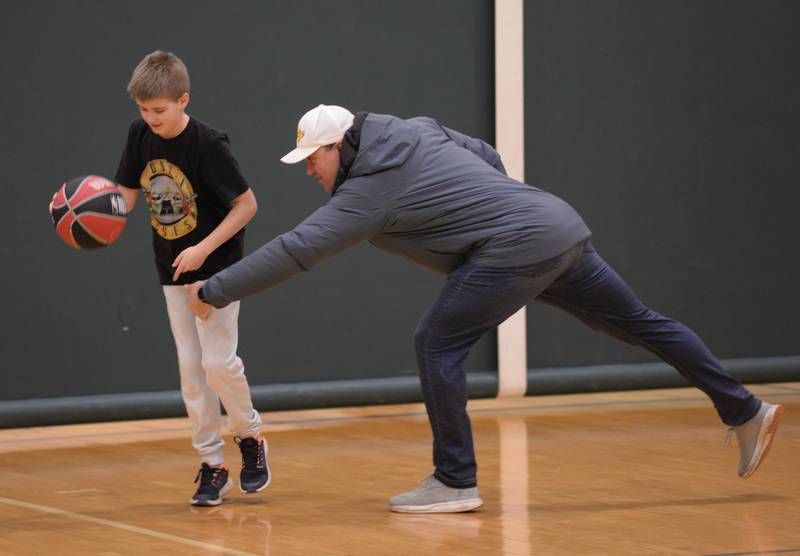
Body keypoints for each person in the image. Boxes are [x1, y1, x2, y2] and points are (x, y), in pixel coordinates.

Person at [186, 104, 782, 513]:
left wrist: (218, 288)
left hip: (518, 246)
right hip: (554, 224)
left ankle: (454, 480)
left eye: (314, 159)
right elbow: (486, 153)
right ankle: (746, 409)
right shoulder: (414, 129)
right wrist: (494, 208)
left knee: (436, 342)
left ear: (338, 147)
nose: (310, 171)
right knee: (642, 323)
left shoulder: (367, 192)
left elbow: (298, 249)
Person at [113, 50, 269, 506]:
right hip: (171, 271)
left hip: (217, 269)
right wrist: (80, 211)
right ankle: (213, 465)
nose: (150, 119)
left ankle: (250, 436)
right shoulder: (139, 134)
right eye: (143, 110)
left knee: (217, 364)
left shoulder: (207, 144)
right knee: (190, 373)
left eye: (158, 111)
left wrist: (202, 250)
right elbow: (124, 197)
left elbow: (247, 206)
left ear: (183, 100)